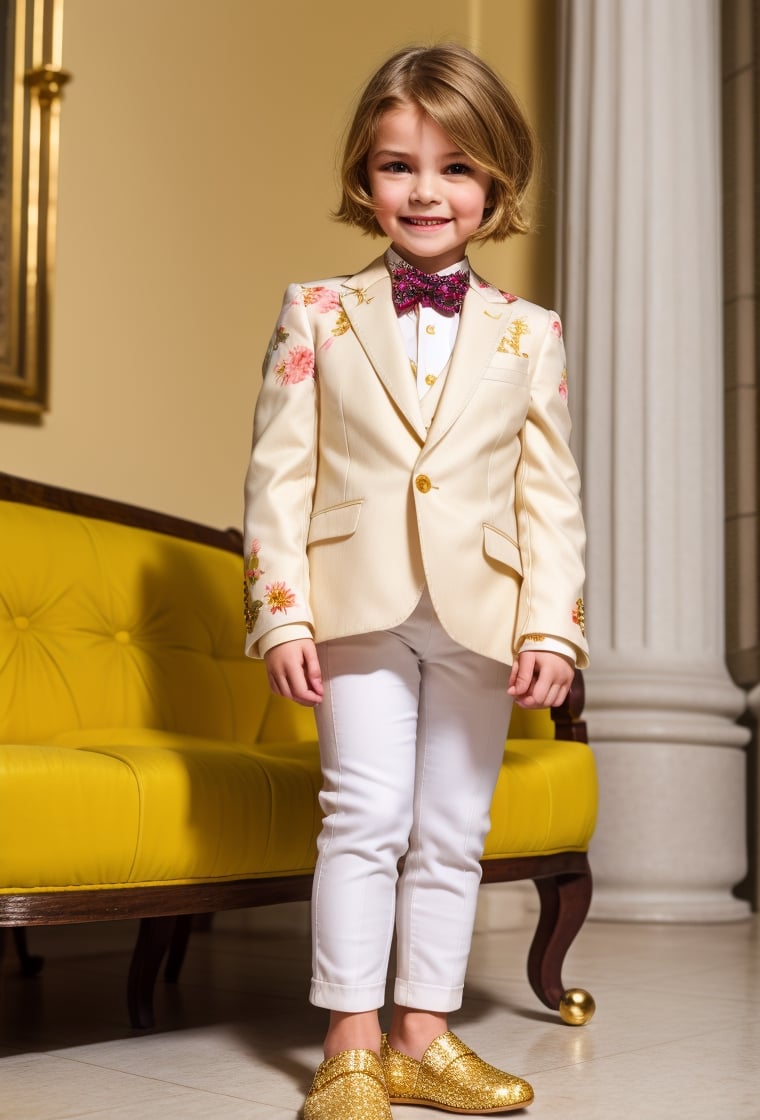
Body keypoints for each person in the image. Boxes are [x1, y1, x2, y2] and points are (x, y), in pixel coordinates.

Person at [243, 43, 588, 1120]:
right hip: (353, 605)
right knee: (360, 815)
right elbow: (276, 476)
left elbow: (550, 499)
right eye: (398, 166)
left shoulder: (530, 335)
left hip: (482, 613)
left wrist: (554, 630)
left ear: (496, 186)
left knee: (450, 827)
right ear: (363, 179)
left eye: (456, 169)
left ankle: (421, 1037)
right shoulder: (317, 312)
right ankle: (348, 1043)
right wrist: (280, 613)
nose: (426, 191)